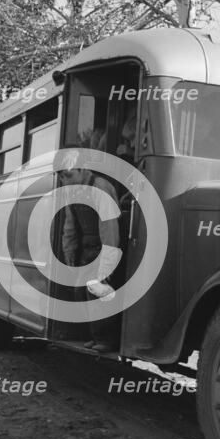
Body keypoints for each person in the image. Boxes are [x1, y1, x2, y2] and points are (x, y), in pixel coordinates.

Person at [56, 148, 123, 353]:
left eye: (68, 175)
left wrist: (106, 267)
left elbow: (110, 229)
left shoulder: (101, 188)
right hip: (86, 251)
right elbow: (70, 226)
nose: (65, 181)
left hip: (104, 250)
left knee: (99, 294)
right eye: (61, 177)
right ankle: (95, 335)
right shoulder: (71, 191)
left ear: (82, 169)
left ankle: (107, 339)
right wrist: (70, 255)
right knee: (79, 292)